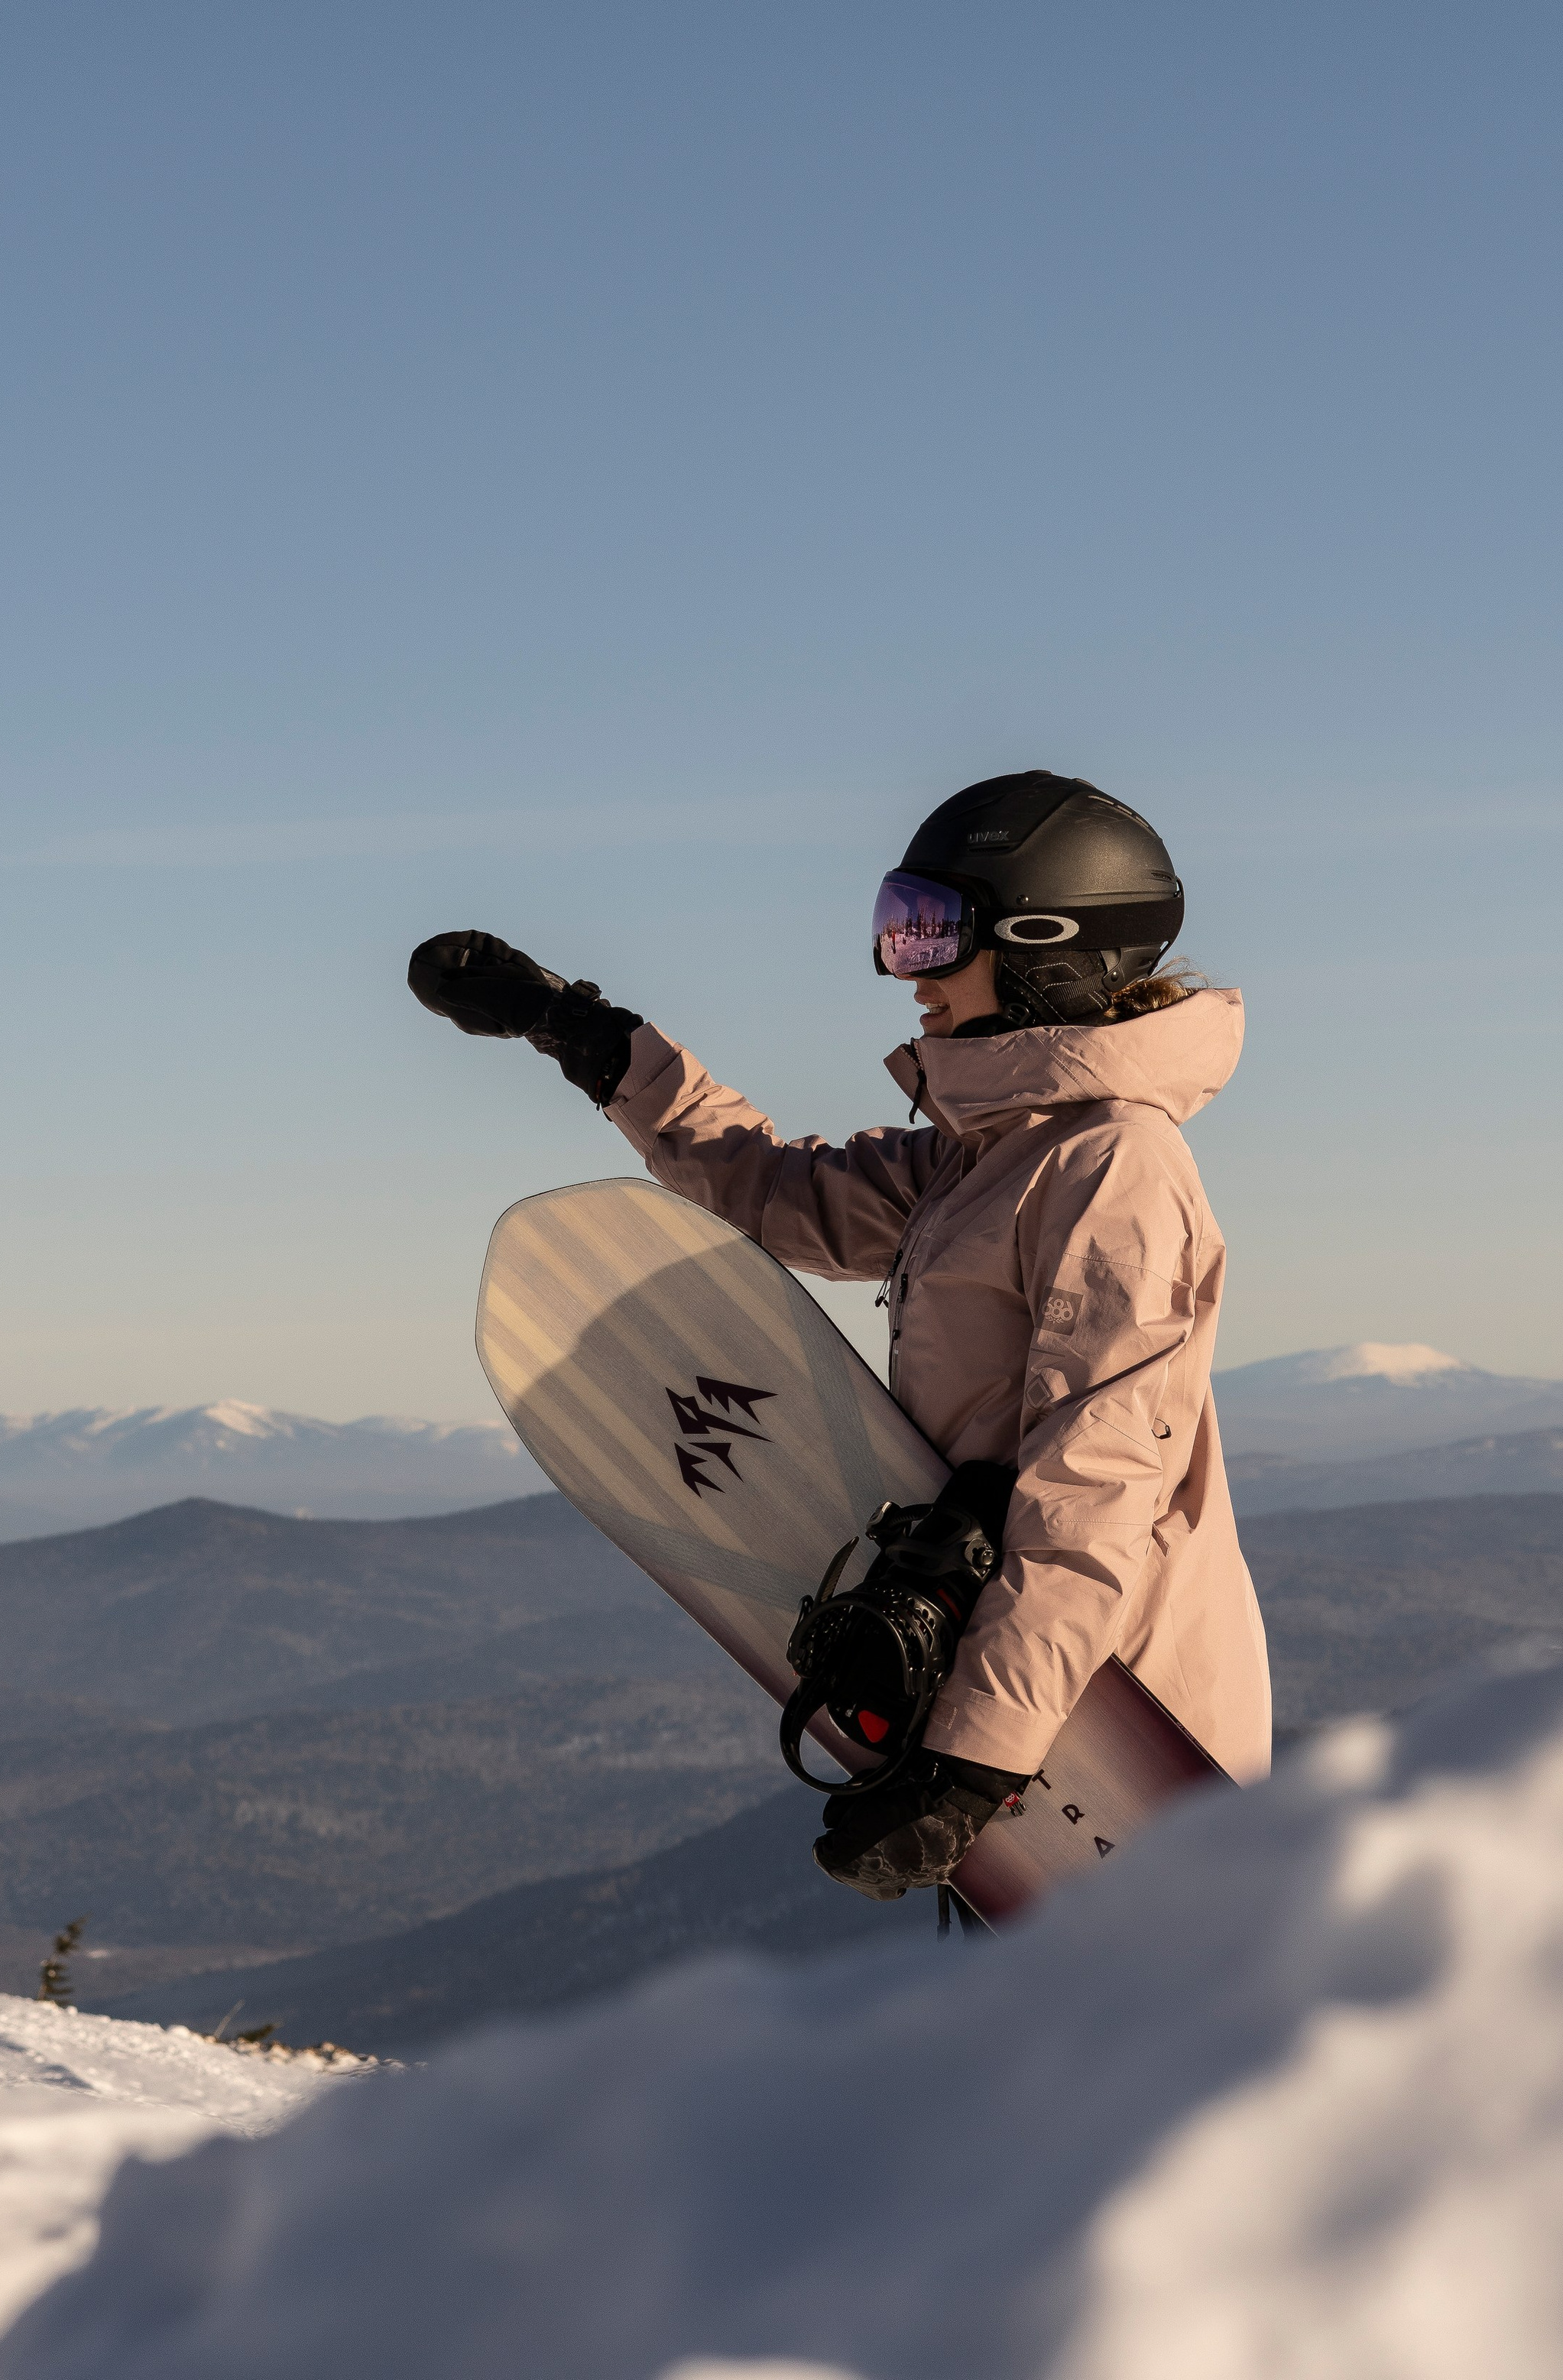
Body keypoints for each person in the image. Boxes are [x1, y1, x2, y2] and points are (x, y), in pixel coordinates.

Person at [407, 768, 1271, 1902]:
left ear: (1044, 941)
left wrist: (977, 1761)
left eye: (928, 934)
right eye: (893, 928)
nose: (899, 971)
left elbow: (1098, 1485)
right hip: (1014, 1685)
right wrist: (582, 1033)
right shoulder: (987, 1156)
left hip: (1112, 1700)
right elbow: (773, 1191)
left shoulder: (1112, 1167)